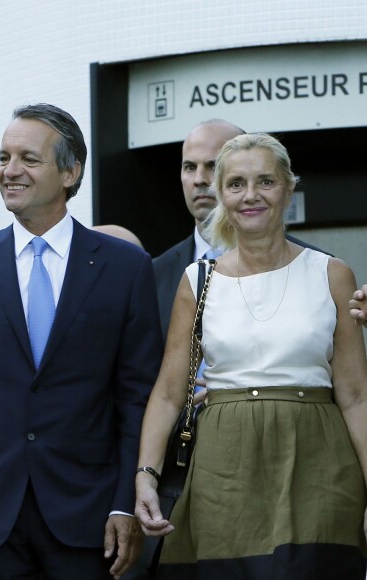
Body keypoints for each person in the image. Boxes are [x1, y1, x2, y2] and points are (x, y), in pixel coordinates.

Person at [0, 103, 163, 579]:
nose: (10, 171)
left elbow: (138, 398)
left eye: (28, 158)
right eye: (3, 157)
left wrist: (125, 503)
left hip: (90, 514)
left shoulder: (126, 268)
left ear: (70, 171)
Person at [135, 133, 367, 579]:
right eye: (237, 184)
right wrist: (146, 473)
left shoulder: (332, 273)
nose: (251, 195)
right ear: (221, 195)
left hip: (320, 463)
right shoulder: (196, 281)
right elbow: (168, 393)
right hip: (225, 469)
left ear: (288, 188)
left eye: (266, 181)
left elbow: (356, 396)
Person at [153, 119, 329, 340]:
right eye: (189, 167)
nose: (199, 179)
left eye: (213, 166)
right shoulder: (154, 275)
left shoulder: (321, 272)